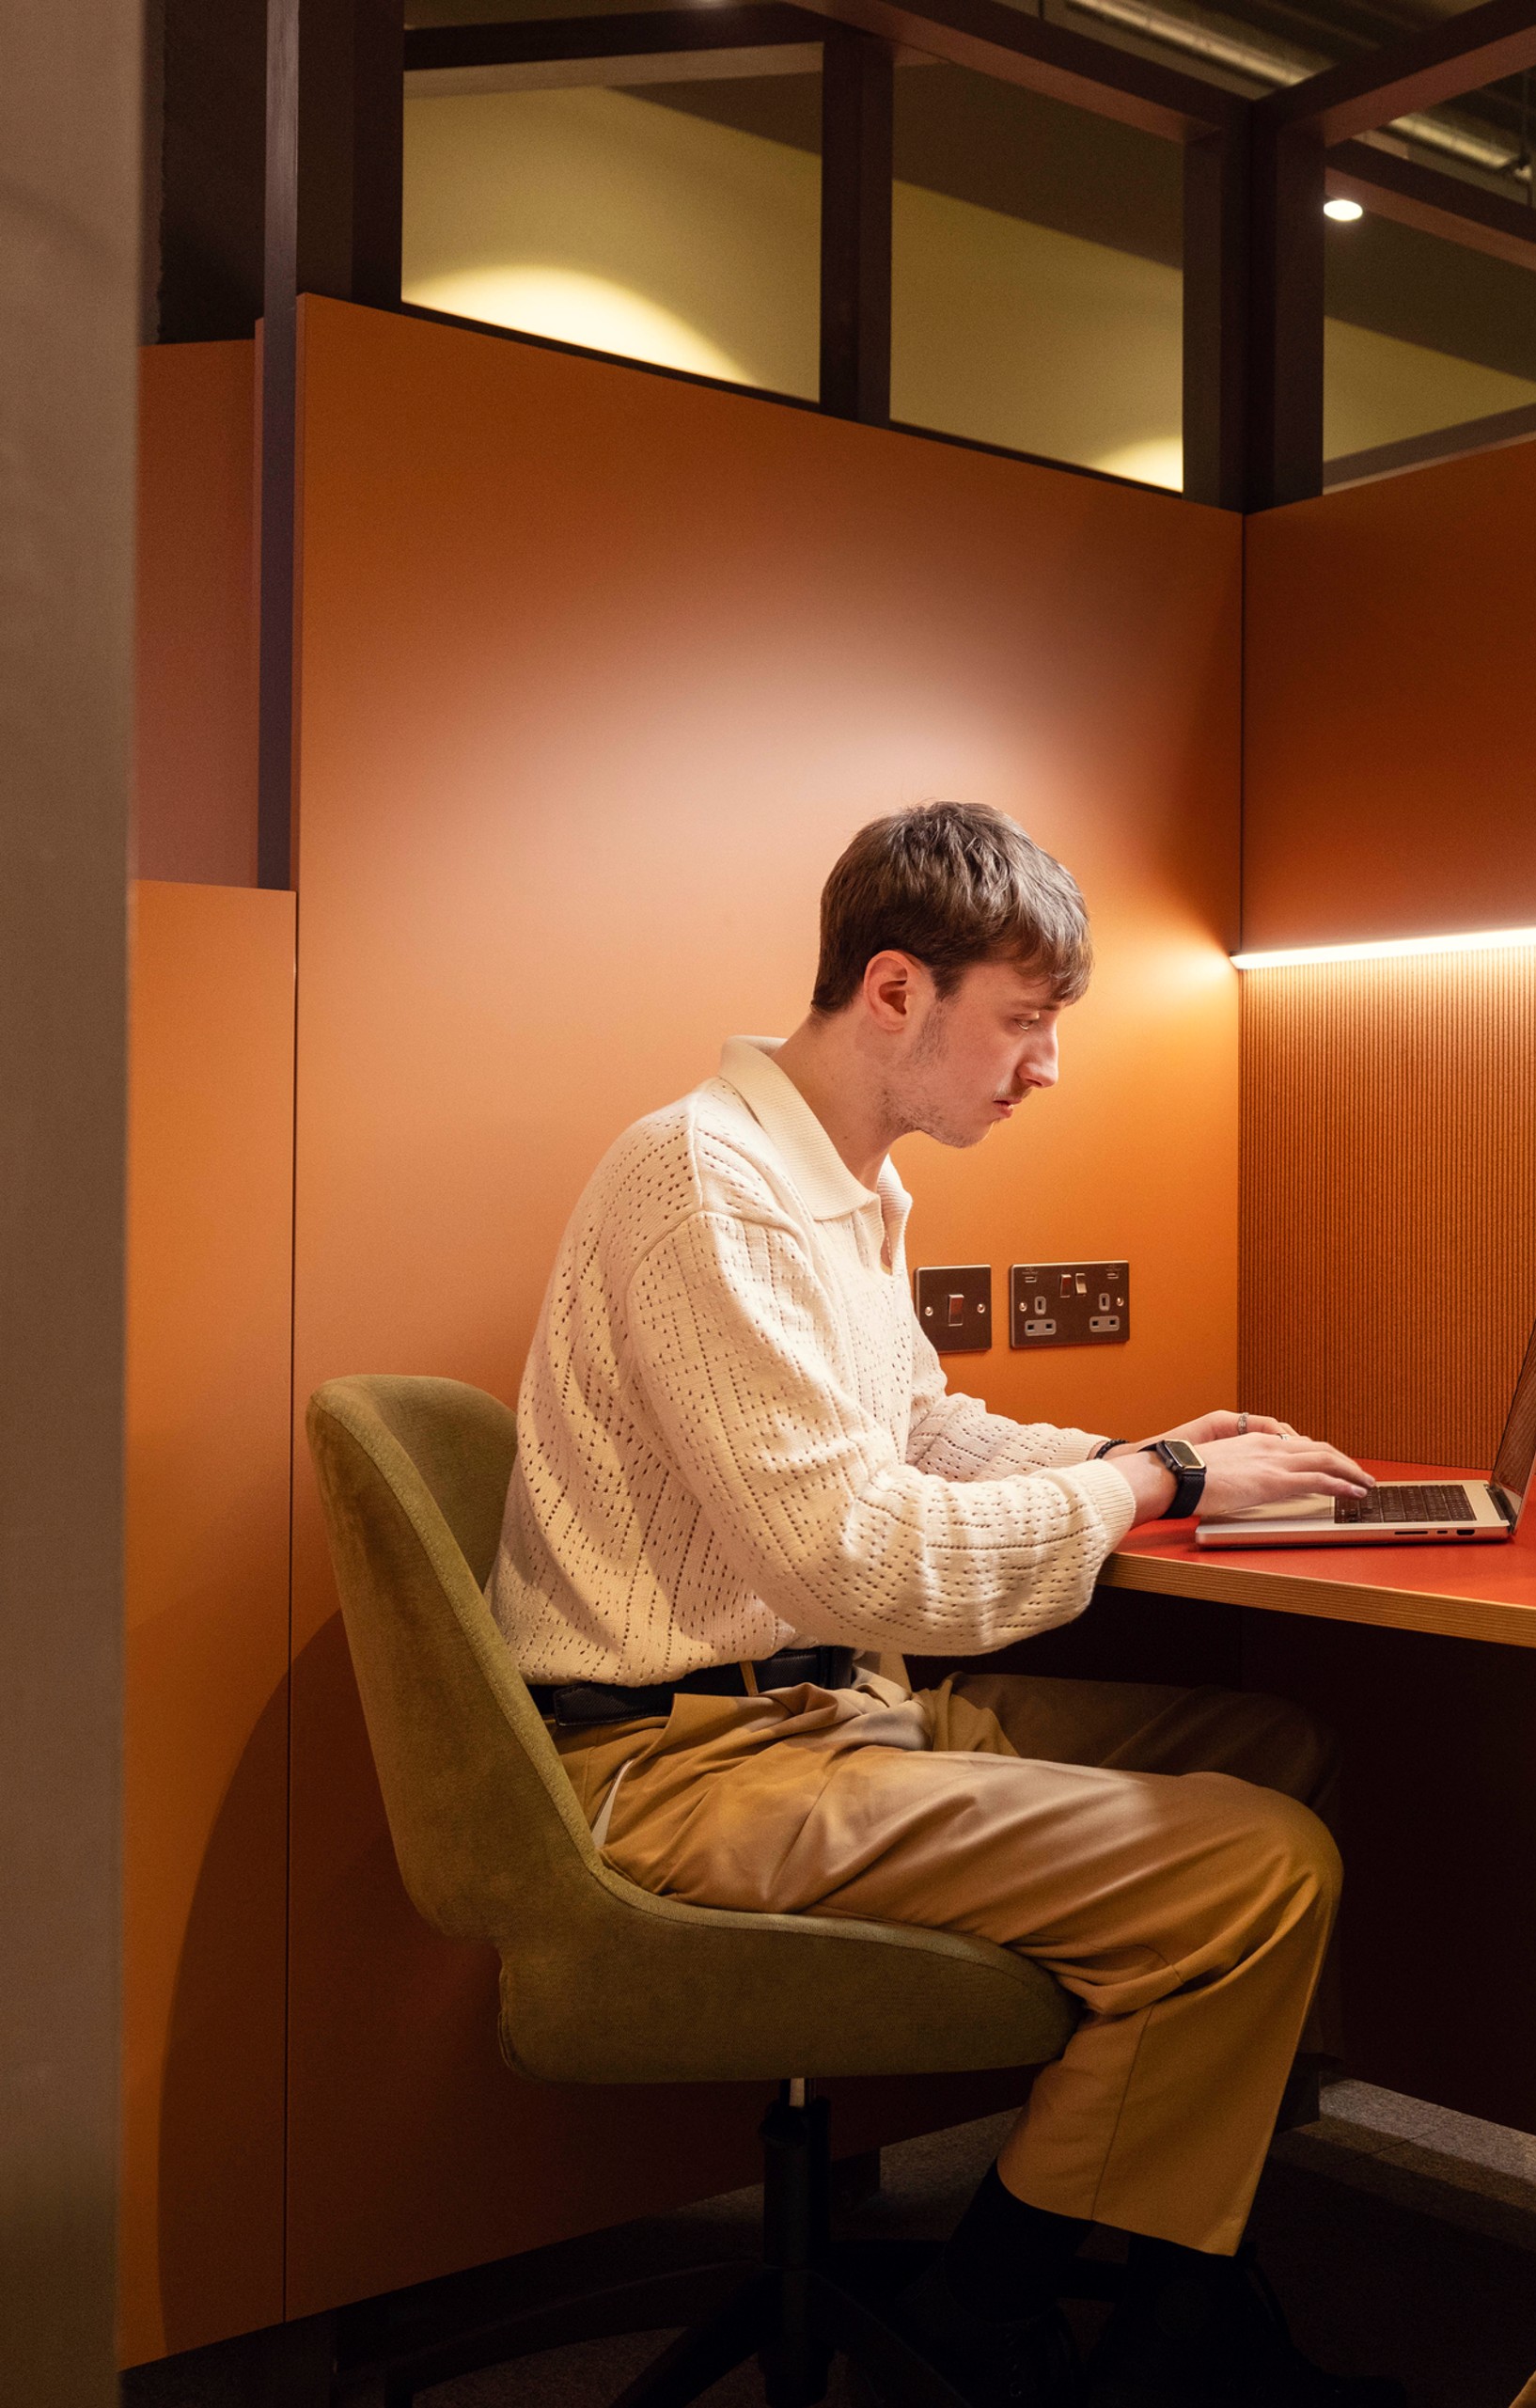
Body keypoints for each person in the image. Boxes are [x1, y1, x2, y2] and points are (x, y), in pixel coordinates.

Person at [490, 799, 1390, 2408]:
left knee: (1275, 1750)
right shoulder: (708, 1183)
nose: (1049, 1065)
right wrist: (1149, 1491)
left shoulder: (840, 1182)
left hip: (827, 1708)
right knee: (1266, 1862)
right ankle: (1017, 2301)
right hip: (685, 1761)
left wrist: (1159, 1450)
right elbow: (855, 1552)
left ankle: (1180, 2275)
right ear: (895, 990)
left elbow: (921, 1433)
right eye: (1027, 1021)